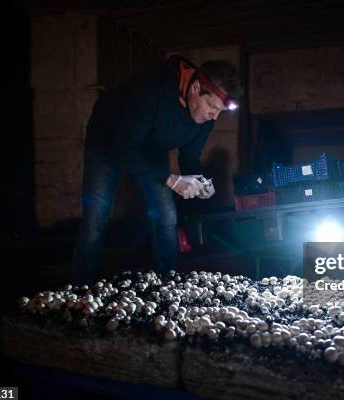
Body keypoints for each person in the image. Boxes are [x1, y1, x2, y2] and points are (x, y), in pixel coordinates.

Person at [70, 55, 243, 284]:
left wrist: (200, 182)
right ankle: (81, 287)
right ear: (196, 88)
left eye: (220, 111)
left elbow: (189, 157)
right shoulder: (151, 90)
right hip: (109, 142)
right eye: (212, 107)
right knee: (96, 218)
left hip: (150, 148)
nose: (214, 116)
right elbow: (124, 150)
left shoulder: (207, 116)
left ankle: (167, 282)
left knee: (166, 217)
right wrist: (171, 180)